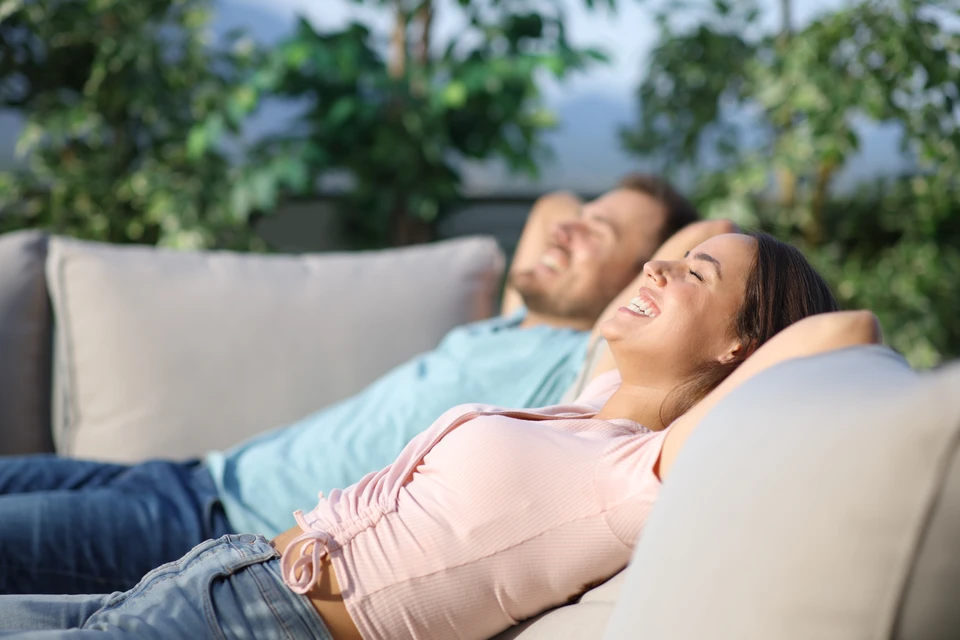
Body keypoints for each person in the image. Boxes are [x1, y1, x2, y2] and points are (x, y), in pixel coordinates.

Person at [0, 231, 882, 639]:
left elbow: (848, 331)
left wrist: (755, 338)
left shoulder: (640, 471)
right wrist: (694, 275)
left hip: (259, 624)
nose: (655, 264)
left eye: (693, 272)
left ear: (744, 345)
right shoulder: (592, 403)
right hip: (217, 572)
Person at [0, 174, 714, 596]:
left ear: (643, 278)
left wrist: (651, 265)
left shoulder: (576, 365)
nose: (566, 229)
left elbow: (709, 234)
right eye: (583, 216)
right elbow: (549, 209)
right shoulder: (514, 324)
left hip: (214, 531)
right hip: (188, 478)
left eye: (600, 233)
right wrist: (594, 225)